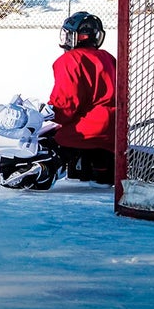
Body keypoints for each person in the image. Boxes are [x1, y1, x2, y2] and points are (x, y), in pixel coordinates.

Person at [48, 11, 116, 183]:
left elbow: (67, 102)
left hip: (87, 130)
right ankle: (100, 168)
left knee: (50, 137)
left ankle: (44, 169)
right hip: (114, 128)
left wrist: (50, 113)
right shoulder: (108, 58)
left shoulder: (69, 60)